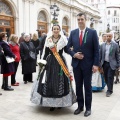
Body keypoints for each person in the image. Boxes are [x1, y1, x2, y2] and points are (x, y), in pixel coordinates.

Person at [30, 24, 76, 111]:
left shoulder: (63, 39)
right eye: (54, 29)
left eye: (57, 29)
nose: (56, 30)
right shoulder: (49, 39)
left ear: (59, 30)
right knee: (49, 80)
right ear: (52, 30)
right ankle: (51, 103)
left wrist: (73, 52)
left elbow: (66, 50)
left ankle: (60, 103)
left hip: (60, 63)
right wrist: (42, 63)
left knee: (60, 81)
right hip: (50, 62)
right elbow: (46, 52)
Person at [67, 13, 99, 117]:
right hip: (76, 64)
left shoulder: (92, 32)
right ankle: (80, 106)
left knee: (87, 87)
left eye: (82, 19)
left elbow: (96, 50)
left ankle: (88, 108)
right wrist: (74, 54)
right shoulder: (73, 33)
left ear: (86, 20)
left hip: (88, 65)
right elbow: (67, 48)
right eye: (79, 19)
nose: (80, 21)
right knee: (78, 86)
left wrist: (95, 64)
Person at [99, 33, 120, 97]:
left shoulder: (115, 45)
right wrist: (99, 64)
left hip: (112, 64)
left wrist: (118, 64)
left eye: (109, 36)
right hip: (104, 63)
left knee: (110, 77)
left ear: (112, 37)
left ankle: (109, 90)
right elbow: (100, 55)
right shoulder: (102, 45)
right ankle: (109, 88)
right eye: (107, 36)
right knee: (105, 77)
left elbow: (117, 55)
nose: (108, 37)